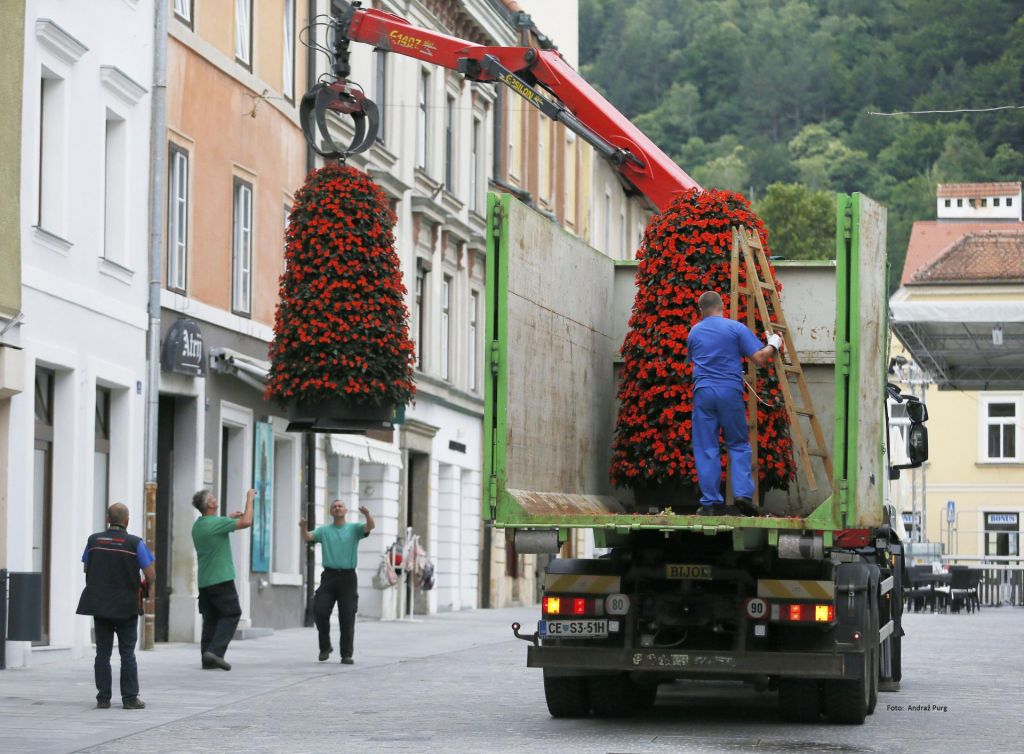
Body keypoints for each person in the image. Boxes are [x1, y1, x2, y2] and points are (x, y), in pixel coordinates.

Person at [686, 290, 782, 516]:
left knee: (706, 446)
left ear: (701, 310)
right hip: (729, 391)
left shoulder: (694, 332)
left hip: (703, 392)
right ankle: (742, 495)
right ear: (722, 306)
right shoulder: (735, 328)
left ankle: (710, 503)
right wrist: (774, 344)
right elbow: (759, 359)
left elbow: (693, 359)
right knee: (738, 443)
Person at [76, 503, 156, 710]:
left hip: (100, 604)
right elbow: (151, 574)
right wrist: (144, 589)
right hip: (126, 605)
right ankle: (130, 699)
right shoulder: (135, 543)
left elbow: (87, 568)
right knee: (127, 653)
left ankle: (103, 698)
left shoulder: (94, 541)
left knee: (102, 652)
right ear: (127, 521)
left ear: (108, 519)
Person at [300, 500, 374, 664]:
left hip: (348, 577)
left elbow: (370, 527)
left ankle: (346, 654)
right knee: (319, 609)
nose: (337, 508)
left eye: (340, 506)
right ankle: (325, 647)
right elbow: (308, 537)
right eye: (334, 506)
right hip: (329, 576)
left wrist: (367, 514)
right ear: (330, 512)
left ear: (346, 510)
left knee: (347, 616)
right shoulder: (324, 530)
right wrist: (303, 527)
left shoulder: (354, 529)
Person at [191, 488, 254, 670]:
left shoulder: (199, 525)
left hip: (204, 581)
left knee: (210, 619)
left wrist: (228, 518)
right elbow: (247, 521)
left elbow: (215, 527)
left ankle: (207, 658)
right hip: (221, 578)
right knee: (232, 613)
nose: (215, 498)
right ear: (210, 504)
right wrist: (249, 499)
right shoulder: (217, 523)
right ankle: (216, 652)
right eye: (212, 497)